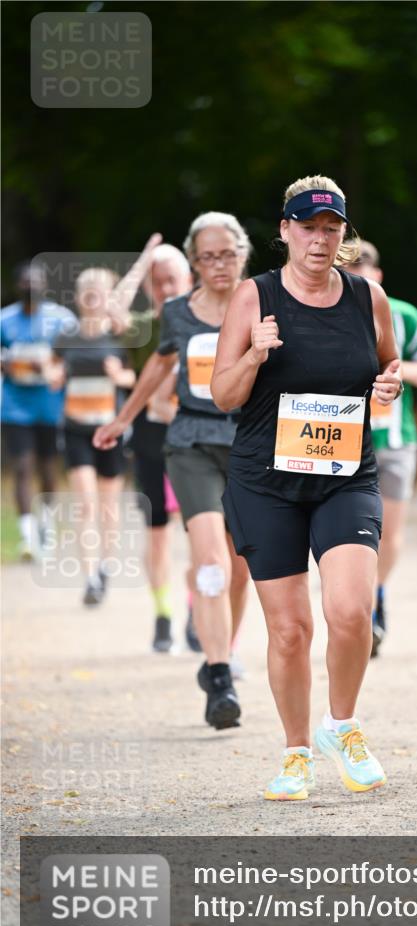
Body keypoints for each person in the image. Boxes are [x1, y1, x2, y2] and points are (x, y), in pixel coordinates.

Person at [211, 175, 402, 801]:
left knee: (352, 612)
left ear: (343, 235)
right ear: (285, 230)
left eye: (331, 228)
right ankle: (295, 753)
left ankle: (340, 725)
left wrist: (389, 387)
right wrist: (253, 356)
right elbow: (223, 394)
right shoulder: (253, 297)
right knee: (289, 628)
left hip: (344, 477)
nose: (320, 240)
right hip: (265, 482)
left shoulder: (368, 297)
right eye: (308, 227)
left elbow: (388, 362)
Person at [94, 213, 252, 730]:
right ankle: (220, 676)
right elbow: (161, 364)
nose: (219, 264)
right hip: (192, 443)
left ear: (243, 253)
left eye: (227, 253)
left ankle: (220, 650)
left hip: (250, 445)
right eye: (207, 256)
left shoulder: (264, 303)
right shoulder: (180, 313)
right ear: (194, 262)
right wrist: (123, 417)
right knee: (210, 562)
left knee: (240, 566)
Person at [343, 240, 417, 655]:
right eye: (352, 272)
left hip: (396, 442)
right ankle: (357, 608)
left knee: (391, 534)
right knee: (350, 533)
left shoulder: (404, 316)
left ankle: (377, 595)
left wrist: (395, 371)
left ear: (379, 275)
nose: (361, 279)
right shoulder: (328, 315)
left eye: (366, 271)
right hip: (342, 443)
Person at [109, 236, 193, 652]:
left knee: (204, 532)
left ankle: (199, 611)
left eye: (171, 278)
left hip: (196, 437)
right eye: (156, 281)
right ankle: (163, 614)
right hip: (151, 436)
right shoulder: (144, 325)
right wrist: (143, 263)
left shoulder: (204, 316)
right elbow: (112, 313)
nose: (164, 287)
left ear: (189, 277)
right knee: (157, 530)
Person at [49, 267, 136, 605]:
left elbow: (133, 379)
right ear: (80, 298)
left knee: (108, 507)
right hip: (75, 429)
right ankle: (89, 578)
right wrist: (54, 374)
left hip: (109, 430)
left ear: (107, 298)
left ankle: (106, 566)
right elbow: (52, 368)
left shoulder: (119, 336)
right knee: (85, 505)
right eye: (87, 293)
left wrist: (120, 376)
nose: (93, 299)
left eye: (99, 293)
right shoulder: (66, 337)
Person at [1, 262, 76, 560]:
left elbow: (80, 355)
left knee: (47, 470)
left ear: (45, 285)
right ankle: (27, 536)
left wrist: (51, 366)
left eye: (37, 281)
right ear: (18, 285)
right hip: (15, 407)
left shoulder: (61, 319)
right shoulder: (5, 320)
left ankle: (46, 524)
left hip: (51, 405)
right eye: (25, 282)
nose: (31, 286)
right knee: (22, 467)